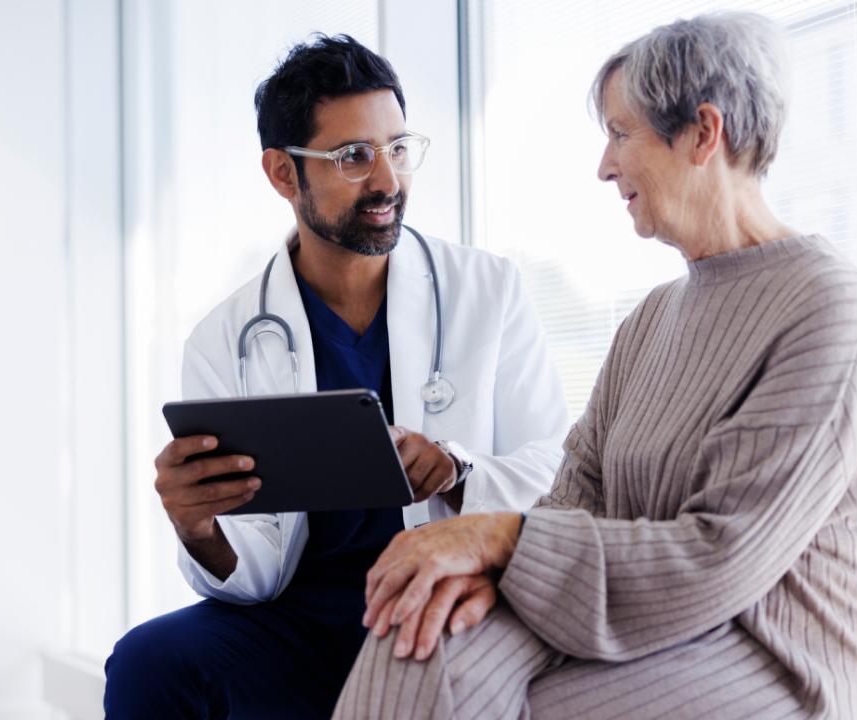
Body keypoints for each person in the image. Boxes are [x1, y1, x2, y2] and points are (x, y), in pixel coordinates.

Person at [334, 13, 857, 720]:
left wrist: (499, 540)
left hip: (787, 656)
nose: (604, 166)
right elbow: (576, 499)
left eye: (621, 134)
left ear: (704, 133)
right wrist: (490, 567)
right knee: (417, 640)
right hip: (656, 624)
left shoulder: (830, 310)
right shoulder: (649, 321)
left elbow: (719, 556)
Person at [102, 35, 570, 719]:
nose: (387, 180)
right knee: (149, 663)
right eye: (353, 156)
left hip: (439, 595)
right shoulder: (222, 340)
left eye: (398, 149)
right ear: (283, 175)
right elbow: (255, 575)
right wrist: (199, 530)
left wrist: (455, 470)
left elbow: (556, 474)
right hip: (299, 619)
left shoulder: (488, 291)